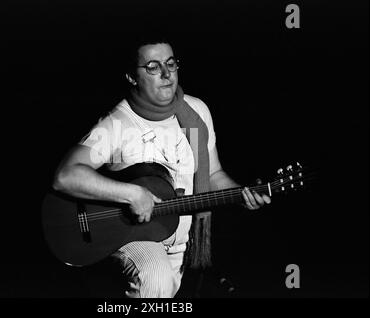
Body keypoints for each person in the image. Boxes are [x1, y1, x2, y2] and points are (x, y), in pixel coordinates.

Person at [52, 36, 271, 298]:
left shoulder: (197, 112)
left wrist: (242, 193)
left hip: (185, 247)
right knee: (155, 278)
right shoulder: (117, 124)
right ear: (132, 77)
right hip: (135, 239)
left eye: (171, 64)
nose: (167, 74)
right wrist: (132, 194)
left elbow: (213, 174)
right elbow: (66, 176)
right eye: (153, 67)